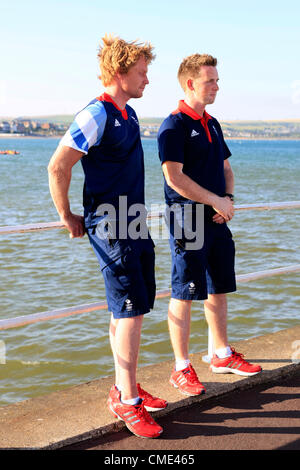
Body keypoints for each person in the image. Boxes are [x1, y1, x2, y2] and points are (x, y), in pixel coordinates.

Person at [48, 34, 167, 439]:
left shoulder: (129, 114)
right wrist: (67, 216)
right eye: (141, 73)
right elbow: (58, 167)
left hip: (134, 221)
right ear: (119, 73)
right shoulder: (95, 114)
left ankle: (124, 385)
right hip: (110, 226)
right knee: (129, 310)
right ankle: (127, 401)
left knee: (131, 309)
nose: (147, 81)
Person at [157, 53, 262, 397]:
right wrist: (214, 200)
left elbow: (227, 170)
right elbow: (174, 178)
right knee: (184, 292)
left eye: (217, 79)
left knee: (218, 287)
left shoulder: (212, 123)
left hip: (217, 218)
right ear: (190, 83)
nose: (217, 86)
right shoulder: (172, 125)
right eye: (210, 80)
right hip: (187, 220)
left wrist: (227, 201)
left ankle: (221, 354)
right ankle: (181, 367)